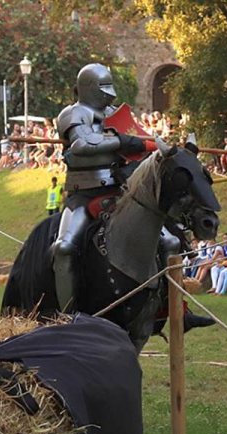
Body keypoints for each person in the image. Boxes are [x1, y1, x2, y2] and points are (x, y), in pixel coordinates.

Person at [53, 63, 148, 311]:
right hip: (83, 194)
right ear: (87, 88)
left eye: (110, 86)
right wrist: (120, 140)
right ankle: (68, 317)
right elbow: (82, 146)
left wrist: (145, 145)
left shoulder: (115, 113)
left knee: (169, 240)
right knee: (64, 249)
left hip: (121, 190)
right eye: (103, 87)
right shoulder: (73, 114)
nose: (109, 93)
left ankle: (172, 307)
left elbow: (140, 142)